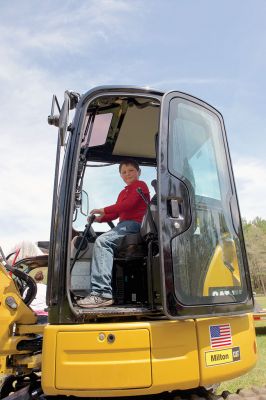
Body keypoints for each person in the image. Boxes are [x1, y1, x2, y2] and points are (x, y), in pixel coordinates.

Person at [77, 159, 150, 308]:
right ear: (121, 175)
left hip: (135, 225)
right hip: (123, 225)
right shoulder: (123, 192)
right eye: (124, 172)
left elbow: (127, 205)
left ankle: (102, 293)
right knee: (102, 241)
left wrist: (103, 209)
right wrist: (98, 219)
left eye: (131, 170)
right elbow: (117, 213)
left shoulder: (140, 185)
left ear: (138, 172)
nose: (127, 174)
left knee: (103, 242)